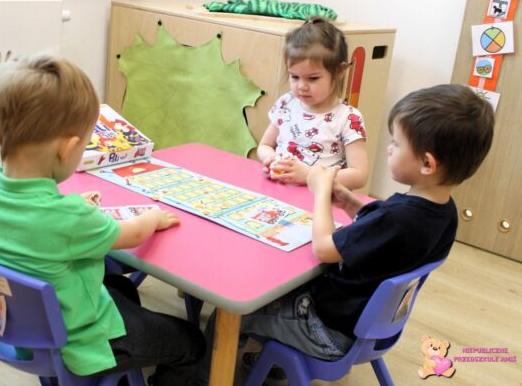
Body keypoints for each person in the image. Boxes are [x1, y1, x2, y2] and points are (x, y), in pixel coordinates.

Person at [197, 83, 494, 384]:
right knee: (278, 287)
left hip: (327, 331)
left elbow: (324, 249)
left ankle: (197, 378)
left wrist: (320, 192)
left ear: (427, 163)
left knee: (229, 314)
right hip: (369, 329)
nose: (389, 149)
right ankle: (271, 366)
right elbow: (383, 233)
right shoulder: (443, 212)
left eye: (396, 143)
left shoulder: (397, 218)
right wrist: (349, 201)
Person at [0, 54, 205, 385]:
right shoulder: (70, 218)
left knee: (120, 287)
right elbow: (133, 234)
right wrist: (152, 217)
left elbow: (32, 225)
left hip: (7, 327)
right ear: (68, 149)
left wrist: (70, 207)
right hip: (76, 343)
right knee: (191, 342)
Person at [257, 16, 368, 190]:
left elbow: (359, 175)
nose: (301, 86)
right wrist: (271, 159)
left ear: (339, 71)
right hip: (280, 192)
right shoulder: (286, 103)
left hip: (322, 200)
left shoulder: (348, 118)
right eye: (294, 77)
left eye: (313, 78)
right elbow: (265, 145)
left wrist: (309, 175)